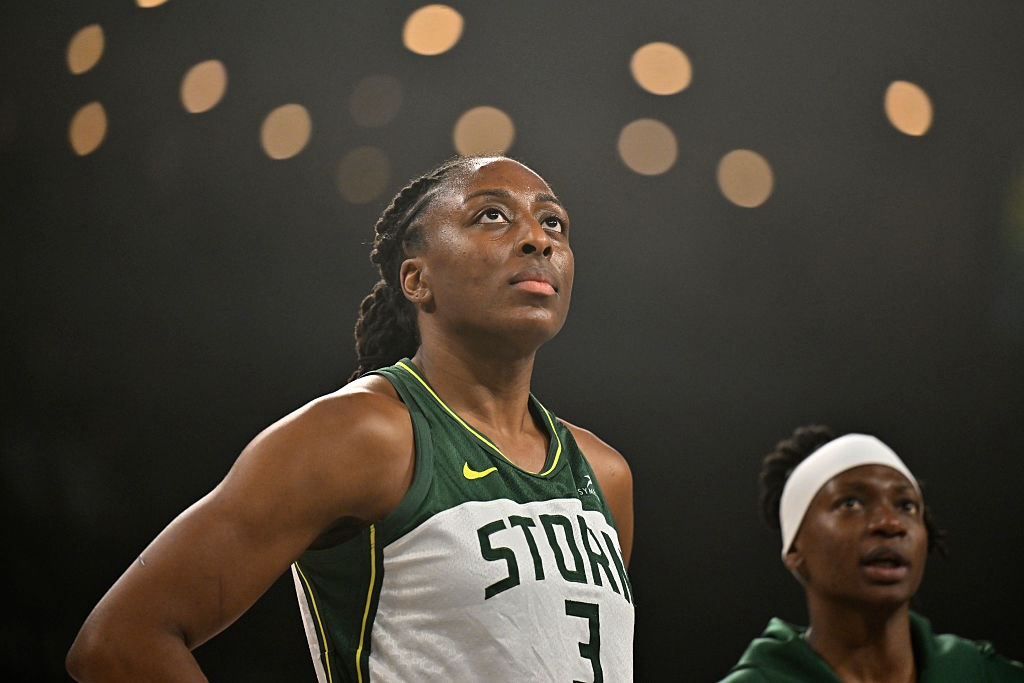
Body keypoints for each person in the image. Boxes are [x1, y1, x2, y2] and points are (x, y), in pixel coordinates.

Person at [66, 155, 635, 682]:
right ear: (417, 280)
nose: (538, 239)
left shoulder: (604, 472)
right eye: (492, 216)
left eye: (554, 224)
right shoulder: (361, 434)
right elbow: (119, 640)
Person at [719, 425, 1024, 682]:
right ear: (795, 549)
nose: (890, 524)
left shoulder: (981, 673)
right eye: (850, 503)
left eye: (906, 506)